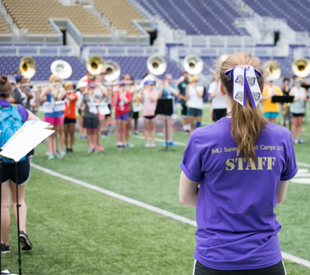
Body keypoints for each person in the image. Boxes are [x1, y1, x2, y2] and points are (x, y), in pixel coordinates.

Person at [179, 52, 297, 275]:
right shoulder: (282, 137)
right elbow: (277, 198)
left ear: (222, 89)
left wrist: (225, 207)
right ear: (261, 90)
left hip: (215, 259)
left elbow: (185, 197)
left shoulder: (202, 138)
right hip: (266, 260)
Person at [0, 75, 41, 253]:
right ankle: (22, 231)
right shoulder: (19, 109)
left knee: (3, 204)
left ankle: (4, 244)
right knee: (19, 200)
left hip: (1, 161)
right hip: (20, 160)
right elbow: (40, 125)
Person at [40, 75, 66, 159]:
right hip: (49, 114)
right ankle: (50, 152)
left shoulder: (60, 89)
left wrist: (52, 91)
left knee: (55, 133)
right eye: (55, 80)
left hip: (57, 113)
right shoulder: (48, 89)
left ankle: (54, 151)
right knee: (49, 133)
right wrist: (44, 90)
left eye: (58, 80)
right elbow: (40, 99)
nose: (56, 82)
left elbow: (58, 97)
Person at [158, 74, 179, 147]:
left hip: (172, 107)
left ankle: (171, 140)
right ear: (165, 79)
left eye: (171, 79)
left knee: (171, 124)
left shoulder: (173, 86)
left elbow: (176, 93)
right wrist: (161, 87)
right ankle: (165, 140)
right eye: (168, 79)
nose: (170, 80)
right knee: (165, 124)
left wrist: (168, 86)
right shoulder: (162, 87)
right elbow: (159, 96)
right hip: (164, 107)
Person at [81, 82, 102, 153]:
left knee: (94, 131)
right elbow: (82, 103)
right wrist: (84, 94)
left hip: (94, 115)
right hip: (87, 115)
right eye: (91, 88)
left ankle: (94, 146)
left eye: (93, 88)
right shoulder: (85, 96)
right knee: (88, 132)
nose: (92, 89)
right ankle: (90, 146)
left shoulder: (97, 95)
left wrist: (91, 95)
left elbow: (98, 101)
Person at [289, 77, 308, 144]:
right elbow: (291, 99)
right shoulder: (293, 90)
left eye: (299, 82)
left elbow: (305, 98)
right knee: (295, 124)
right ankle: (295, 138)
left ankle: (299, 137)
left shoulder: (303, 89)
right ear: (294, 83)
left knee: (300, 124)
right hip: (294, 109)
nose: (298, 83)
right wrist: (297, 98)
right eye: (297, 82)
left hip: (301, 109)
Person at [114, 81, 132, 149]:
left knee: (123, 128)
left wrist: (121, 93)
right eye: (121, 86)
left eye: (123, 85)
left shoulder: (128, 93)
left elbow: (127, 101)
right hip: (118, 111)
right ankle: (118, 142)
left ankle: (122, 142)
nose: (122, 87)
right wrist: (116, 94)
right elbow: (115, 103)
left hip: (125, 111)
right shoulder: (117, 93)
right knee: (119, 128)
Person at [141, 80, 158, 147]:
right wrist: (142, 92)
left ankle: (152, 141)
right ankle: (147, 141)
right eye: (150, 85)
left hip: (153, 112)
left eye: (152, 85)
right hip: (146, 112)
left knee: (153, 128)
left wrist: (149, 92)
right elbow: (141, 100)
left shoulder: (155, 92)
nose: (151, 86)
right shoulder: (144, 92)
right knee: (146, 128)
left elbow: (154, 99)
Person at [93, 75, 107, 151]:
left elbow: (105, 95)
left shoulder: (102, 87)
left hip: (101, 109)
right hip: (93, 109)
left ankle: (98, 143)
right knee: (93, 128)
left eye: (100, 79)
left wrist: (100, 87)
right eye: (97, 79)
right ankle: (93, 144)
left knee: (99, 128)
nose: (99, 80)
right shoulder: (92, 87)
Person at [63, 81, 78, 153]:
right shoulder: (62, 95)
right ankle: (66, 147)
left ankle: (71, 147)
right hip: (64, 116)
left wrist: (64, 95)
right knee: (65, 133)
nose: (70, 88)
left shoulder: (74, 94)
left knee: (72, 133)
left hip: (72, 116)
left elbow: (73, 99)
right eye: (68, 86)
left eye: (71, 86)